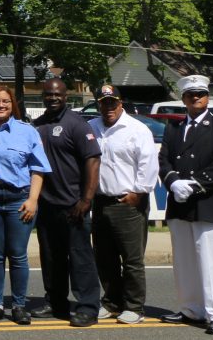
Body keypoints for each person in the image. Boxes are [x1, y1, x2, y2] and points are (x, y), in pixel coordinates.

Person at [159, 74, 213, 336]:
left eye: (200, 94)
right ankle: (191, 309)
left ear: (207, 97)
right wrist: (172, 182)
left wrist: (192, 185)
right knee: (184, 260)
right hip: (179, 203)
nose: (196, 98)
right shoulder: (174, 129)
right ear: (183, 99)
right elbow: (164, 161)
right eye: (190, 95)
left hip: (208, 202)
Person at [0, 86, 50, 325]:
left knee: (17, 254)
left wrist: (33, 199)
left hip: (19, 200)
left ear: (12, 104)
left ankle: (18, 305)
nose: (1, 105)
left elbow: (38, 168)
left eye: (5, 101)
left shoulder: (27, 132)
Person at [32, 77, 102, 327]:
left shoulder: (77, 124)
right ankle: (56, 301)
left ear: (66, 97)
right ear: (43, 97)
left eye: (57, 95)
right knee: (51, 258)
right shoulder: (37, 125)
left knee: (80, 258)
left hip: (74, 205)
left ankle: (87, 307)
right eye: (48, 95)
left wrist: (86, 199)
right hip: (47, 205)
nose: (52, 98)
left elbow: (92, 161)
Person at [90, 84, 158, 325]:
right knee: (104, 257)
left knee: (131, 259)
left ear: (121, 103)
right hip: (100, 201)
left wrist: (138, 193)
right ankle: (111, 302)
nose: (108, 107)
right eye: (104, 102)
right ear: (99, 104)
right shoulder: (91, 127)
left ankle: (134, 306)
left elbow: (148, 164)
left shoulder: (137, 129)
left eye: (112, 102)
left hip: (127, 202)